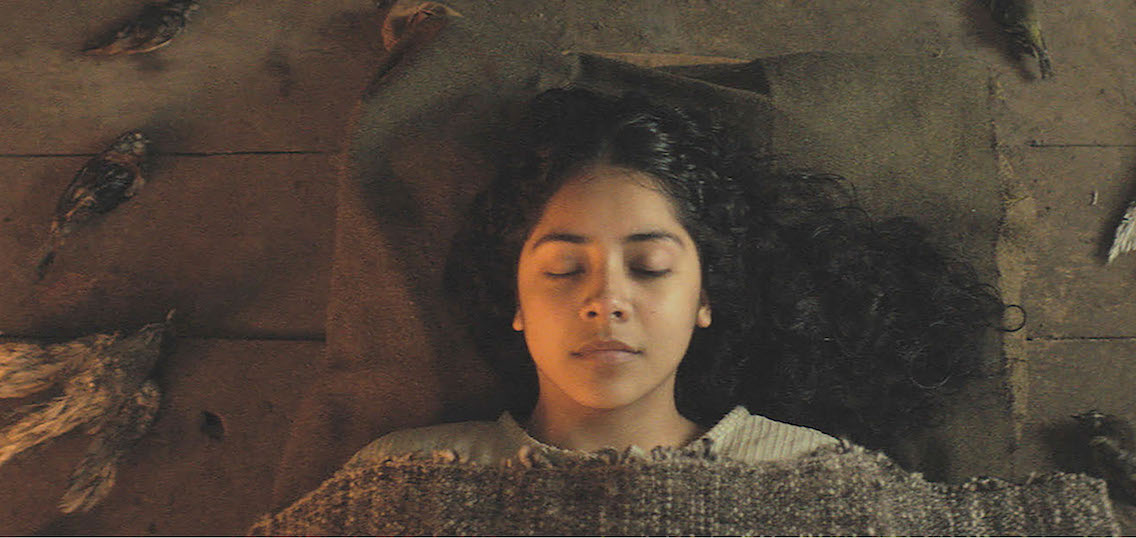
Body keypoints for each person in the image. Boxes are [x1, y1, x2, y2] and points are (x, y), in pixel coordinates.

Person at [346, 85, 1012, 467]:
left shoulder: (810, 475)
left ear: (705, 295)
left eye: (650, 267)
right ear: (512, 297)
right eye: (563, 267)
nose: (606, 300)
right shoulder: (399, 478)